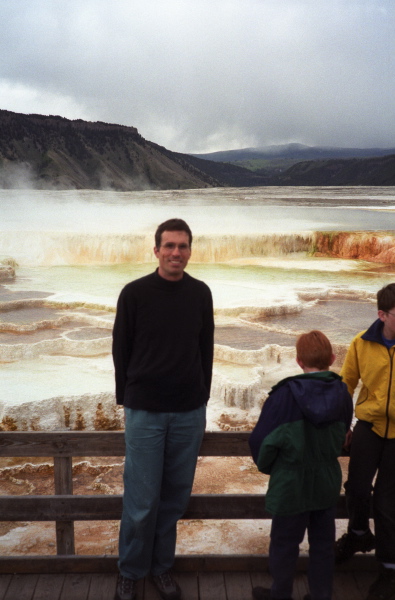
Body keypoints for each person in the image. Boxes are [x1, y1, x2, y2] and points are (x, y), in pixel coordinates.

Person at [112, 218, 214, 600]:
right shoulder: (135, 293)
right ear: (156, 250)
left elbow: (207, 347)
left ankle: (161, 568)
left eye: (182, 246)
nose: (176, 253)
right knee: (141, 500)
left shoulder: (200, 293)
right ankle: (131, 571)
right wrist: (128, 397)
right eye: (169, 246)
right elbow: (121, 348)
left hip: (189, 411)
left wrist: (201, 395)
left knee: (173, 498)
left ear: (190, 250)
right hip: (145, 411)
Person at [249, 330, 353, 600]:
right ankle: (321, 595)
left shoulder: (284, 396)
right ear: (331, 358)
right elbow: (344, 437)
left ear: (298, 361)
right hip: (326, 480)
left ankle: (280, 594)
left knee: (284, 543)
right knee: (322, 545)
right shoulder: (342, 393)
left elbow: (262, 442)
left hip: (290, 482)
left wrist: (273, 468)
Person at [334, 283, 395, 600]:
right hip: (369, 427)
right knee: (356, 488)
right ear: (381, 314)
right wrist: (345, 426)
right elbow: (346, 385)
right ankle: (358, 535)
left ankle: (388, 568)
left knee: (387, 503)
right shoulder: (362, 343)